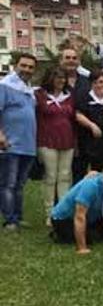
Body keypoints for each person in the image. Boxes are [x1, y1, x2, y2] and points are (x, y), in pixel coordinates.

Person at [35, 66, 77, 224]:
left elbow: (73, 118)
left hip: (67, 140)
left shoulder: (69, 95)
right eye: (57, 77)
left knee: (65, 176)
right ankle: (49, 212)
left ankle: (63, 212)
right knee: (50, 176)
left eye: (63, 77)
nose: (61, 80)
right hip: (47, 140)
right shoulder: (39, 95)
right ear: (50, 78)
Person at [0, 53, 38, 230]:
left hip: (28, 146)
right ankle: (10, 220)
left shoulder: (28, 90)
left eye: (31, 67)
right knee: (8, 184)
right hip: (10, 144)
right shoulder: (4, 86)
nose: (27, 70)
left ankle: (18, 216)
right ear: (16, 66)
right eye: (23, 65)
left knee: (20, 185)